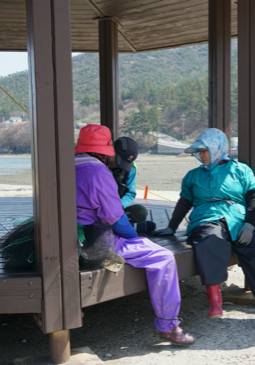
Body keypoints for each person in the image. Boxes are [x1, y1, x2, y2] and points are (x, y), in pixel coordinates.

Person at [153, 128, 255, 331]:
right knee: (210, 240)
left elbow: (253, 197)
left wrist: (249, 224)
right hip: (207, 218)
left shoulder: (240, 170)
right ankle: (215, 298)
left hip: (238, 219)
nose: (200, 155)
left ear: (217, 149)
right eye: (199, 151)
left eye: (204, 151)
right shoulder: (192, 176)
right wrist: (171, 227)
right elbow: (184, 202)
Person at [74, 124, 194, 345]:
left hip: (70, 236)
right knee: (164, 258)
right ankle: (168, 325)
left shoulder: (65, 165)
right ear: (105, 150)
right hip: (94, 240)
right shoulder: (98, 172)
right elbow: (114, 218)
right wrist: (134, 238)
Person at [106, 136, 155, 233]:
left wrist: (119, 206)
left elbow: (130, 194)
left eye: (123, 163)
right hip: (98, 209)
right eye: (118, 160)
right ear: (112, 147)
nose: (118, 165)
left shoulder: (131, 168)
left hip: (116, 209)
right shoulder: (98, 164)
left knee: (140, 212)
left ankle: (113, 226)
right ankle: (129, 226)